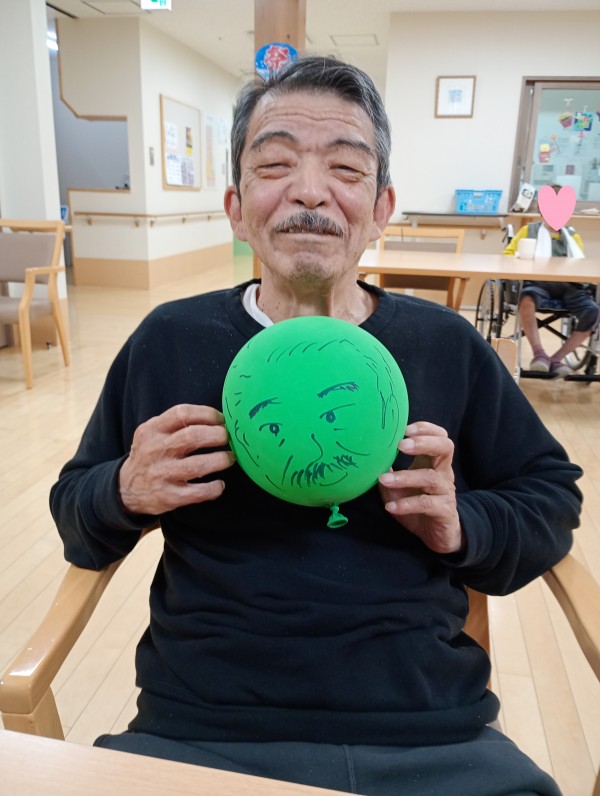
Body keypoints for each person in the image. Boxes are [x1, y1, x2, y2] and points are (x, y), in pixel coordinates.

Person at [50, 56, 582, 796]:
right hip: (202, 728)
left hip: (428, 728)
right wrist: (125, 489)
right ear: (237, 207)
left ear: (381, 206)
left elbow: (552, 494)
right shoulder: (170, 339)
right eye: (275, 165)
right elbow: (76, 515)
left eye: (345, 168)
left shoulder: (443, 344)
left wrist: (464, 524)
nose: (308, 191)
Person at [503, 187, 599, 376]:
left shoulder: (573, 237)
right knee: (526, 301)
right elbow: (507, 257)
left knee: (593, 312)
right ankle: (539, 354)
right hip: (537, 284)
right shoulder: (528, 231)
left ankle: (555, 359)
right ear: (542, 210)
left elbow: (581, 266)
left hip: (570, 286)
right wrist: (520, 258)